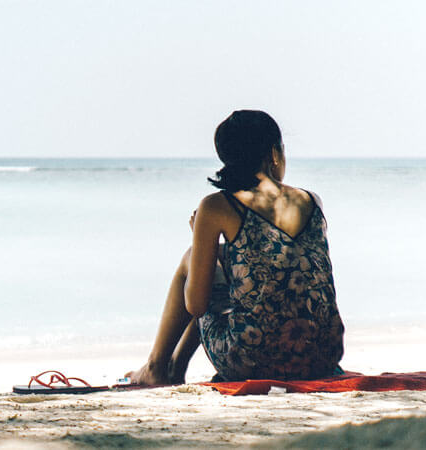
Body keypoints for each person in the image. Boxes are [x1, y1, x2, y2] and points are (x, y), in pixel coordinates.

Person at [126, 110, 344, 385]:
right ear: (274, 153)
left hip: (253, 362)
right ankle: (171, 369)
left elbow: (195, 304)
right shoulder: (312, 201)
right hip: (323, 358)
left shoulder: (217, 205)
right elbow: (275, 261)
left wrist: (201, 241)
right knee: (218, 266)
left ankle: (158, 367)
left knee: (192, 260)